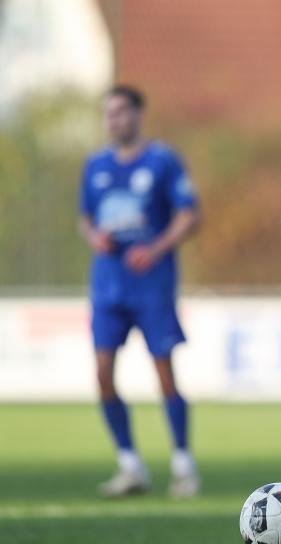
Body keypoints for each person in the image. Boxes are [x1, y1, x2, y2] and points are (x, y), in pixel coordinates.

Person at [79, 85, 201, 498]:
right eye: (107, 113)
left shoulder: (162, 161)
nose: (114, 120)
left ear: (137, 115)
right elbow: (85, 220)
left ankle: (183, 464)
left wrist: (155, 248)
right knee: (102, 373)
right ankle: (130, 465)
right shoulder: (95, 166)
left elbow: (189, 216)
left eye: (120, 112)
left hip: (151, 286)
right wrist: (95, 236)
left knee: (164, 373)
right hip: (108, 287)